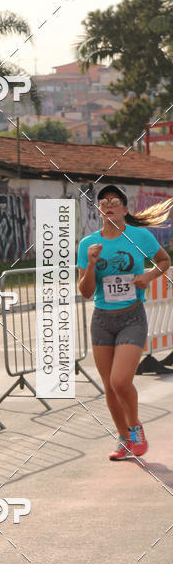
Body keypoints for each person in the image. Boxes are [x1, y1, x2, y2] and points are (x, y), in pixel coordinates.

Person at [77, 184, 172, 460]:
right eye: (104, 202)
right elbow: (85, 291)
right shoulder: (88, 244)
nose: (109, 205)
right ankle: (125, 439)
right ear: (99, 210)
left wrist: (148, 278)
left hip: (132, 316)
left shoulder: (139, 236)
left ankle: (136, 428)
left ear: (125, 209)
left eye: (115, 201)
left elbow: (163, 261)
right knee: (108, 386)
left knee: (120, 381)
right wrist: (92, 263)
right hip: (102, 319)